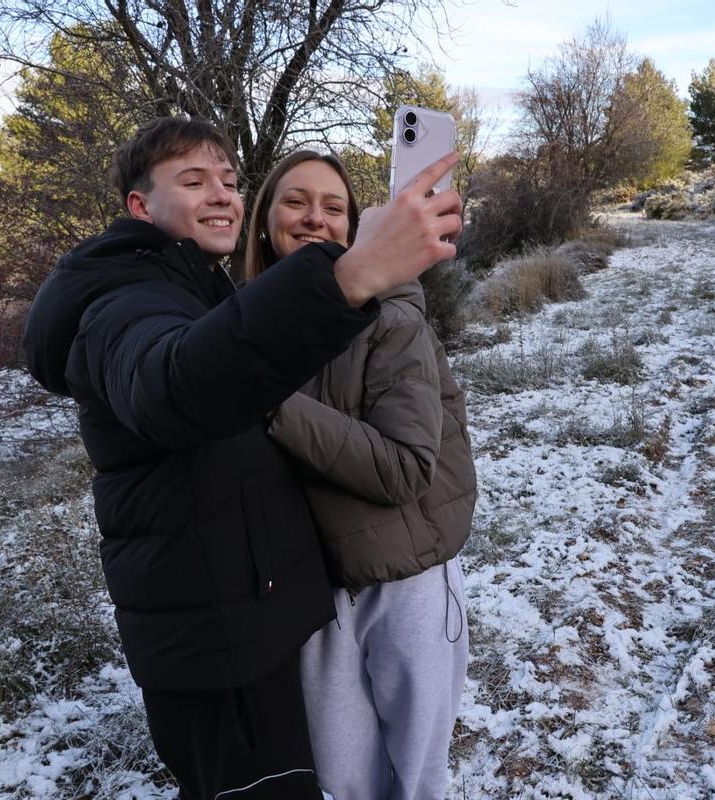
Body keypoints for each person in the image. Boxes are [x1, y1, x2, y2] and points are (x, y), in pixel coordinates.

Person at [21, 117, 462, 800]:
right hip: (242, 636)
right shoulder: (134, 300)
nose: (221, 194)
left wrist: (348, 298)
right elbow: (171, 381)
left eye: (229, 180)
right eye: (193, 182)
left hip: (346, 597)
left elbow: (401, 466)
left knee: (408, 778)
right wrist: (348, 281)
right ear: (139, 206)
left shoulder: (223, 297)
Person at [244, 150, 475, 800]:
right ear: (265, 220)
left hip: (408, 584)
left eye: (334, 206)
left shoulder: (391, 313)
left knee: (416, 776)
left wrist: (270, 403)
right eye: (295, 200)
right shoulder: (241, 329)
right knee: (344, 782)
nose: (314, 217)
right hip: (314, 596)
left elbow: (404, 467)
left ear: (352, 228)